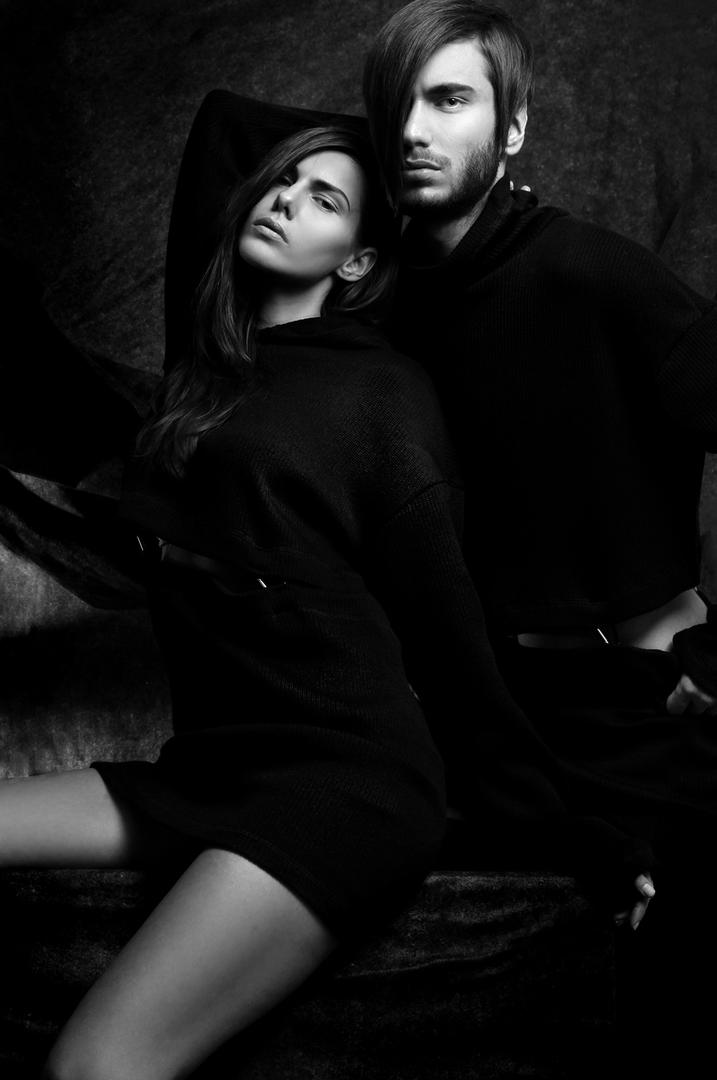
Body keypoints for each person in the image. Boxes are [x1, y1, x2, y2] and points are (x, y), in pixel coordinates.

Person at [0, 122, 573, 1080]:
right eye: (280, 180)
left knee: (99, 1066)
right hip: (213, 769)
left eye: (323, 199)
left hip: (340, 787)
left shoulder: (380, 392)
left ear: (358, 261)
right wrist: (311, 173)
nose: (282, 199)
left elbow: (451, 635)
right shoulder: (205, 384)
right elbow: (225, 135)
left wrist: (574, 835)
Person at [361, 0, 717, 1068]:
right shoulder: (379, 312)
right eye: (395, 106)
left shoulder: (591, 272)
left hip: (651, 698)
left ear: (512, 128)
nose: (413, 130)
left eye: (449, 100)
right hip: (501, 723)